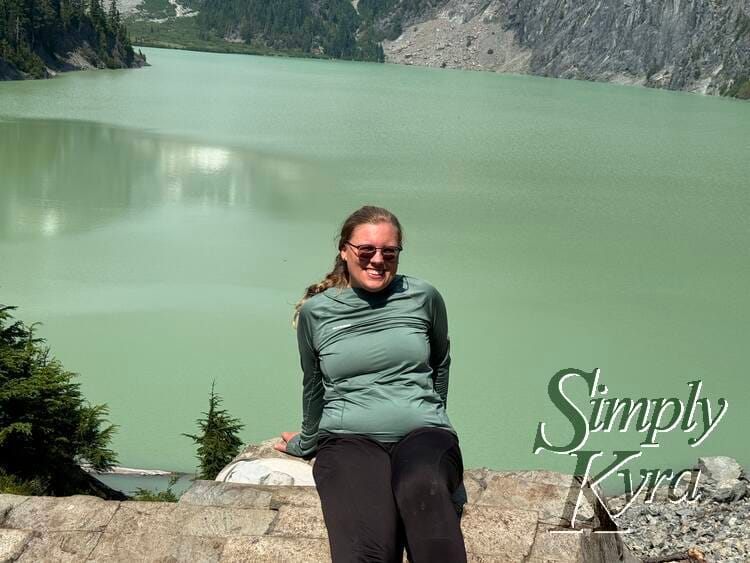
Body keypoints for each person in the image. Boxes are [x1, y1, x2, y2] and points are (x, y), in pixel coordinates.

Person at [275, 205, 466, 562]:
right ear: (345, 250)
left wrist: (431, 414)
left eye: (388, 252)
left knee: (421, 488)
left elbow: (441, 362)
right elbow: (313, 385)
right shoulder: (317, 312)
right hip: (349, 438)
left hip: (422, 434)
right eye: (366, 251)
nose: (378, 260)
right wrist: (307, 441)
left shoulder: (423, 297)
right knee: (369, 545)